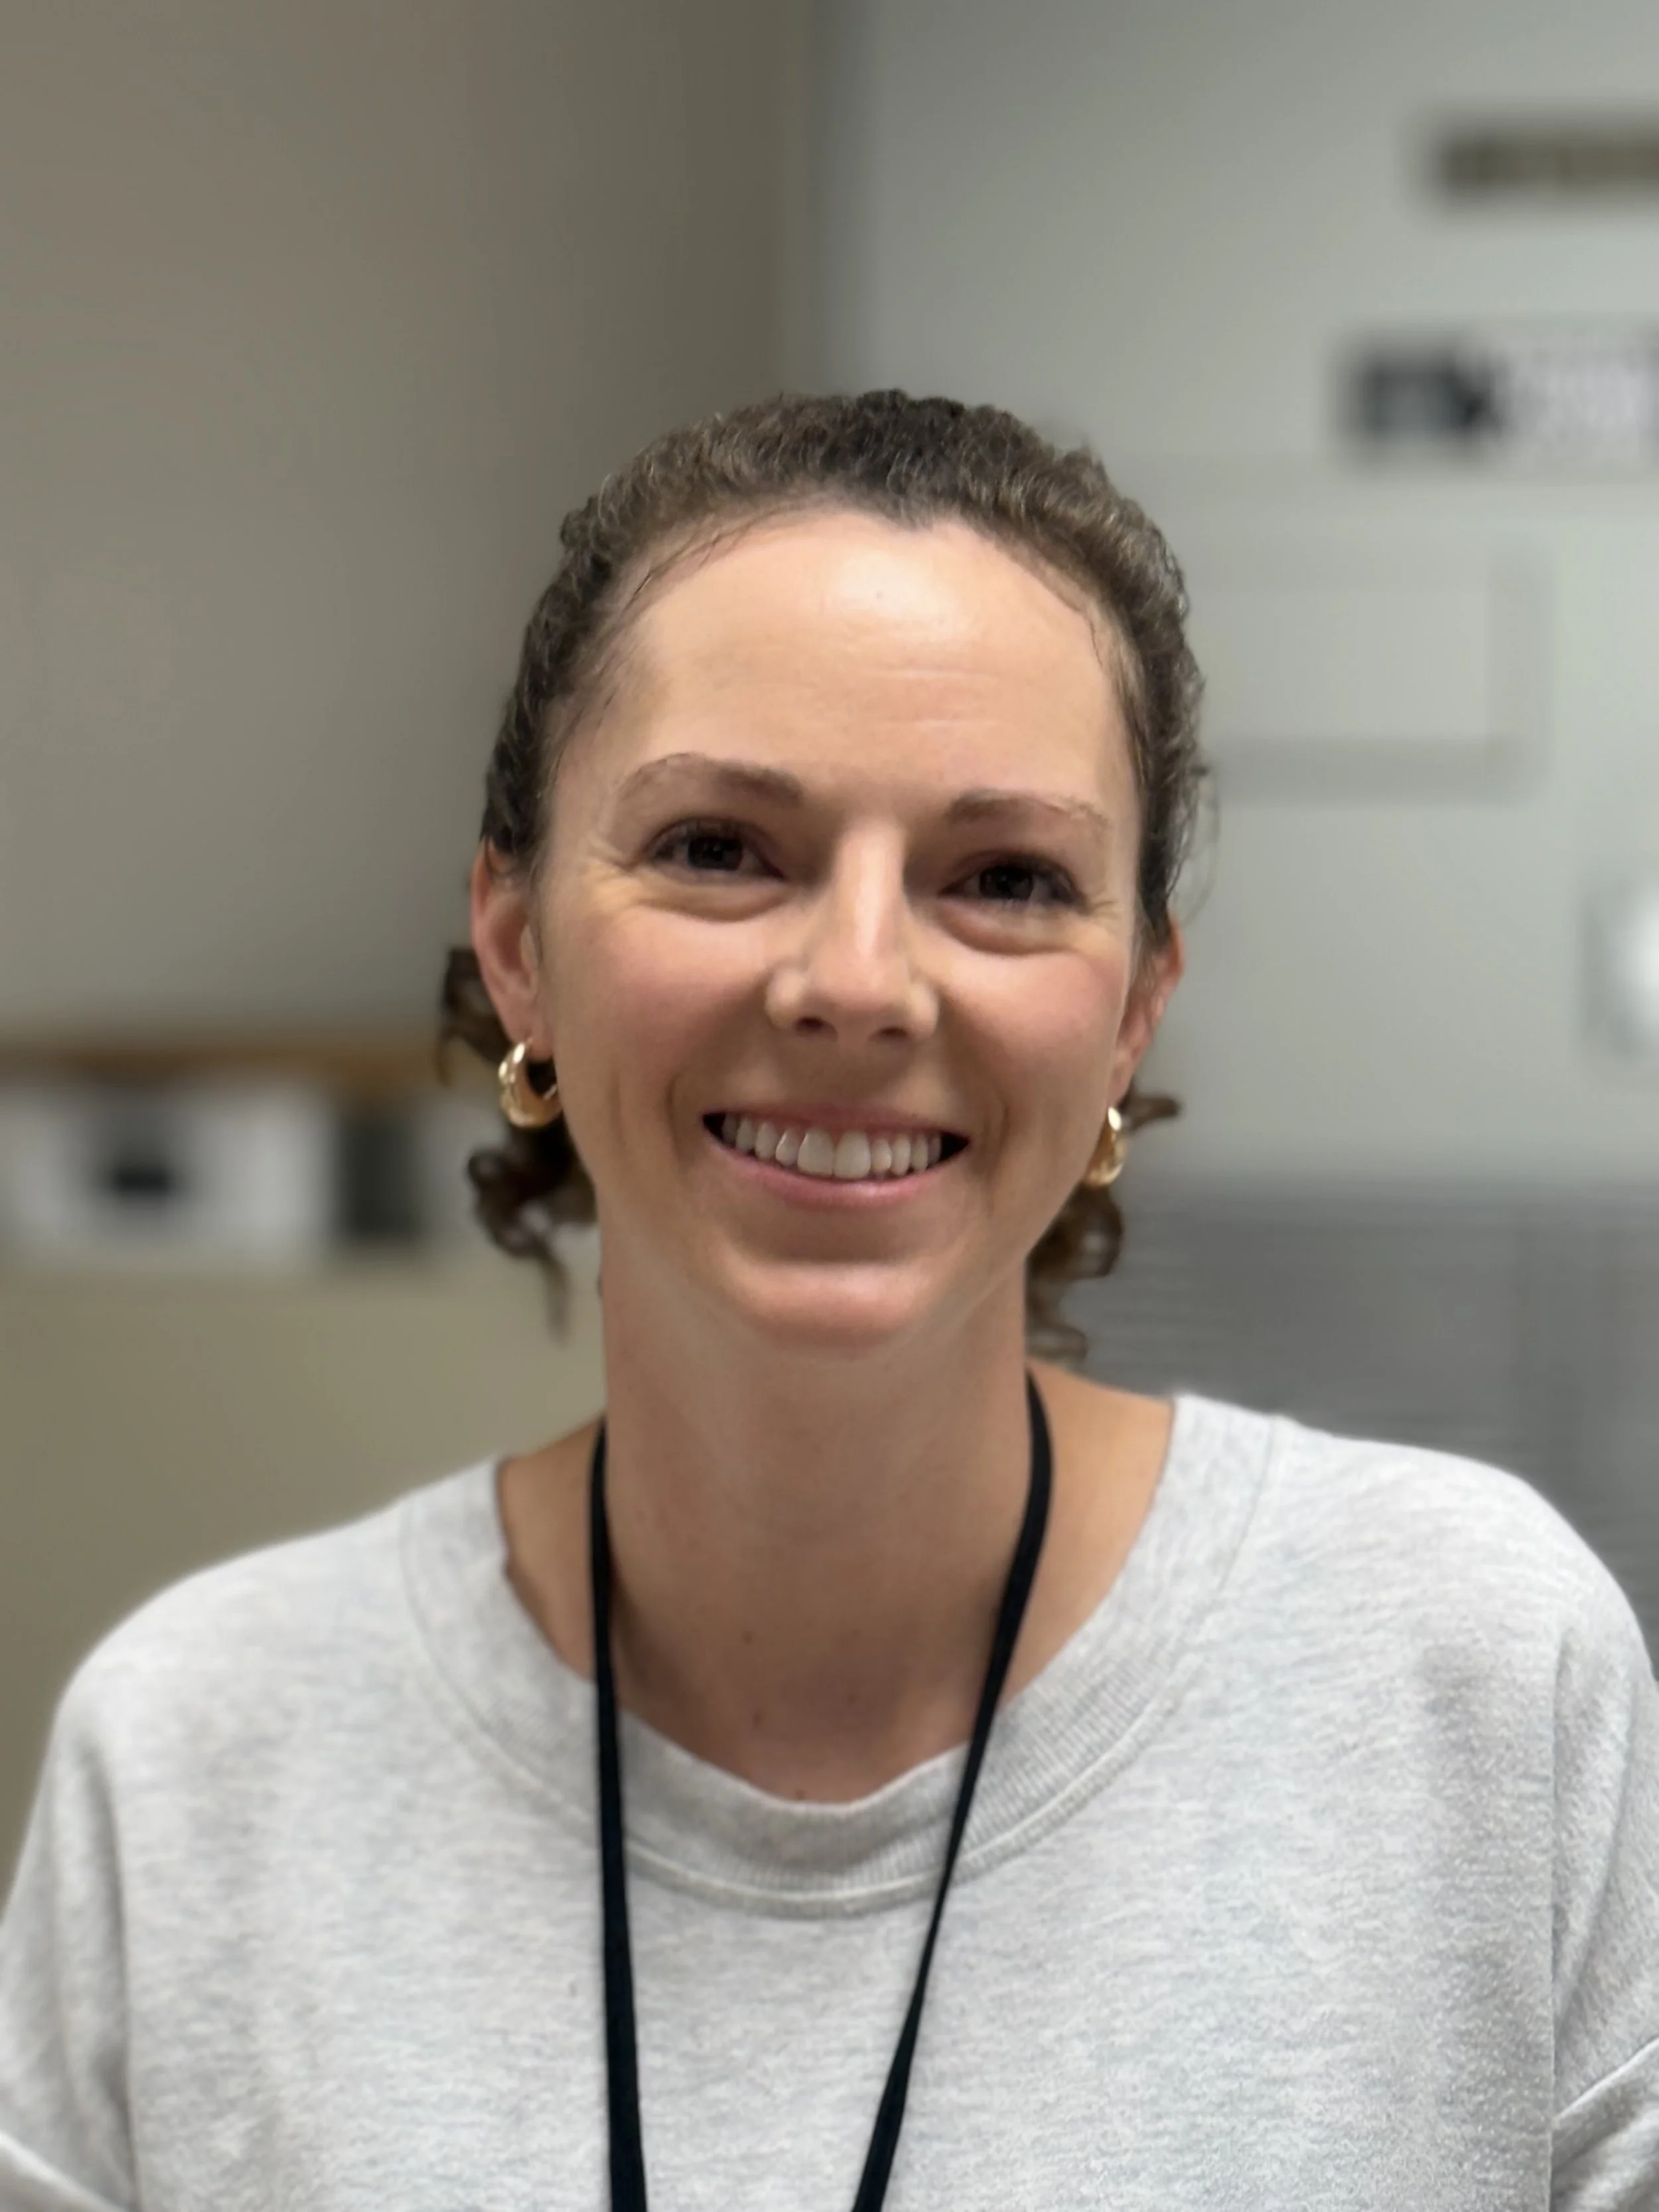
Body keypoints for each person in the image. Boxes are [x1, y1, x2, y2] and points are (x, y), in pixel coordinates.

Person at [1, 390, 1654, 2210]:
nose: (857, 981)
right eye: (719, 846)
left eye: (1003, 879)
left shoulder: (1470, 1683)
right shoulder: (194, 1764)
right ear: (518, 942)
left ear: (1129, 1010)